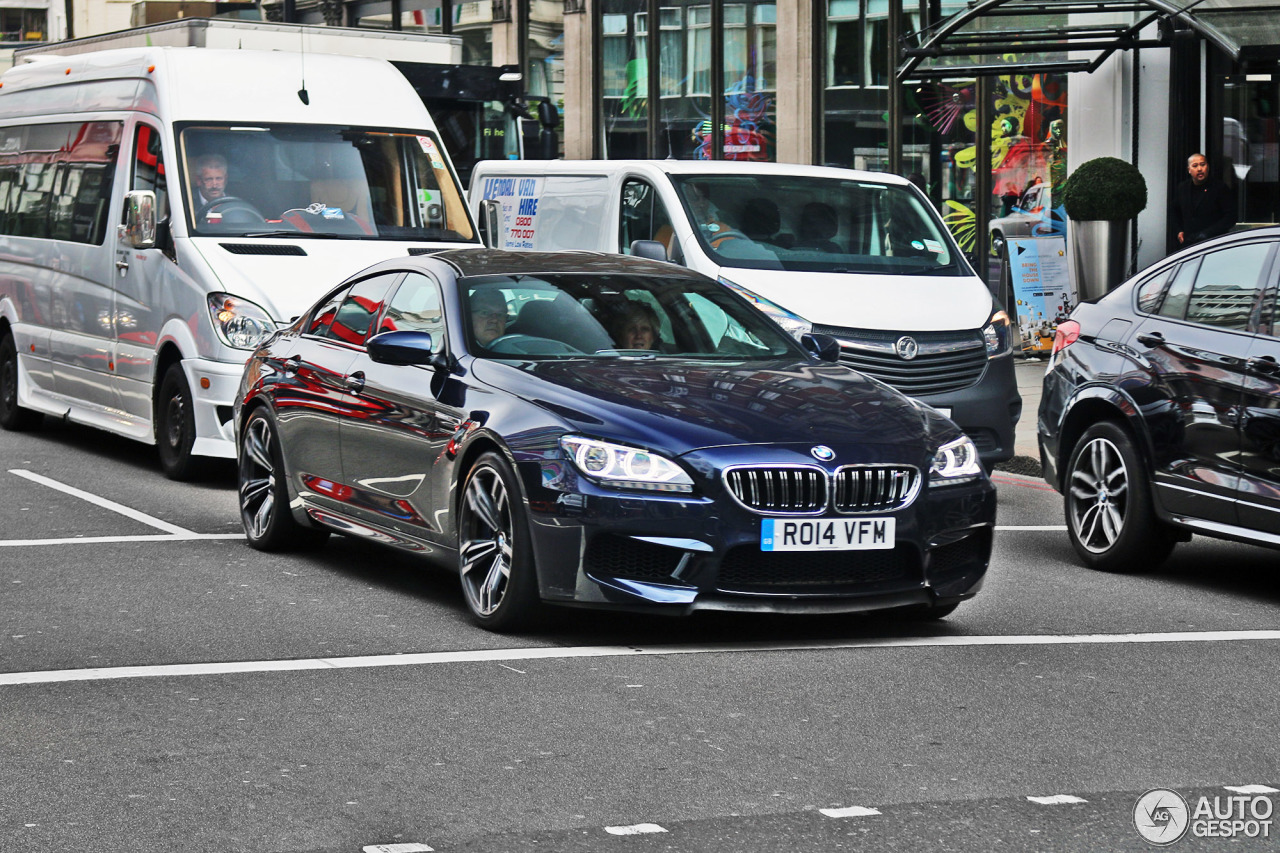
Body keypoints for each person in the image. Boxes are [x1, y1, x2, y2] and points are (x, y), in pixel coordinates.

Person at [1171, 153, 1235, 247]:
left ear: (1207, 167)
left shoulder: (1219, 188)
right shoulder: (1183, 188)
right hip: (1189, 243)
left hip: (1213, 242)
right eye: (1195, 166)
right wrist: (1179, 230)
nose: (1199, 169)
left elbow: (1230, 217)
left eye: (1202, 164)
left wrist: (1208, 233)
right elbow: (1174, 211)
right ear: (1189, 170)